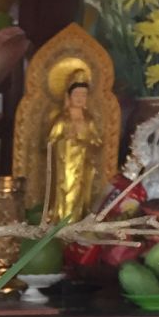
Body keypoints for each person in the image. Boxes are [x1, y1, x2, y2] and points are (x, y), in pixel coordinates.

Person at [45, 80, 103, 221]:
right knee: (65, 190)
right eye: (76, 94)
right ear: (69, 96)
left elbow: (97, 141)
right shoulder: (62, 119)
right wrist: (66, 141)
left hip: (83, 163)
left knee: (81, 192)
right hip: (65, 163)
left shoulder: (88, 119)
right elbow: (50, 141)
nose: (80, 98)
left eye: (83, 95)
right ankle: (62, 221)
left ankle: (77, 220)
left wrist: (86, 143)